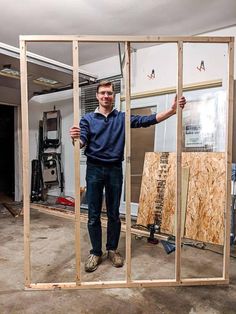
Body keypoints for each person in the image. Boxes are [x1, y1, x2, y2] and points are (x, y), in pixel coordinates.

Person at [70, 80, 186, 272]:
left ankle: (112, 250)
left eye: (109, 93)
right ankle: (96, 252)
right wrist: (75, 138)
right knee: (93, 214)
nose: (106, 96)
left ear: (114, 96)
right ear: (97, 96)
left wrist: (172, 111)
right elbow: (81, 142)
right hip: (94, 169)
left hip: (115, 169)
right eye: (103, 93)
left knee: (114, 214)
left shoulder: (122, 118)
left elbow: (146, 120)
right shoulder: (87, 119)